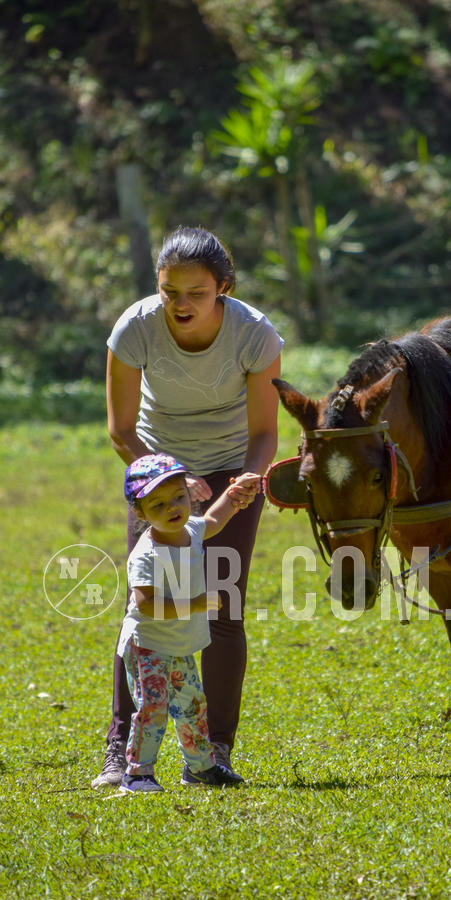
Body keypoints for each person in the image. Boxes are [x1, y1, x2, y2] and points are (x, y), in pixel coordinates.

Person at [92, 226, 283, 788]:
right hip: (156, 471)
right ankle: (119, 751)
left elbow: (266, 431)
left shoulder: (254, 336)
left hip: (231, 467)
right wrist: (169, 482)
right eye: (170, 290)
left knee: (222, 605)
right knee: (144, 610)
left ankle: (214, 750)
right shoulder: (135, 328)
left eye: (195, 293)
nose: (180, 304)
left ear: (222, 288)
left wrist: (248, 480)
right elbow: (121, 430)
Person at [118, 452, 260, 793]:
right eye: (159, 505)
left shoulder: (191, 531)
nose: (173, 508)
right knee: (153, 707)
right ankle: (137, 774)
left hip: (180, 643)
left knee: (192, 705)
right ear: (139, 513)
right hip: (147, 646)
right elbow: (145, 604)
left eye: (179, 497)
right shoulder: (146, 554)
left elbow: (213, 520)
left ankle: (200, 769)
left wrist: (233, 495)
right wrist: (195, 603)